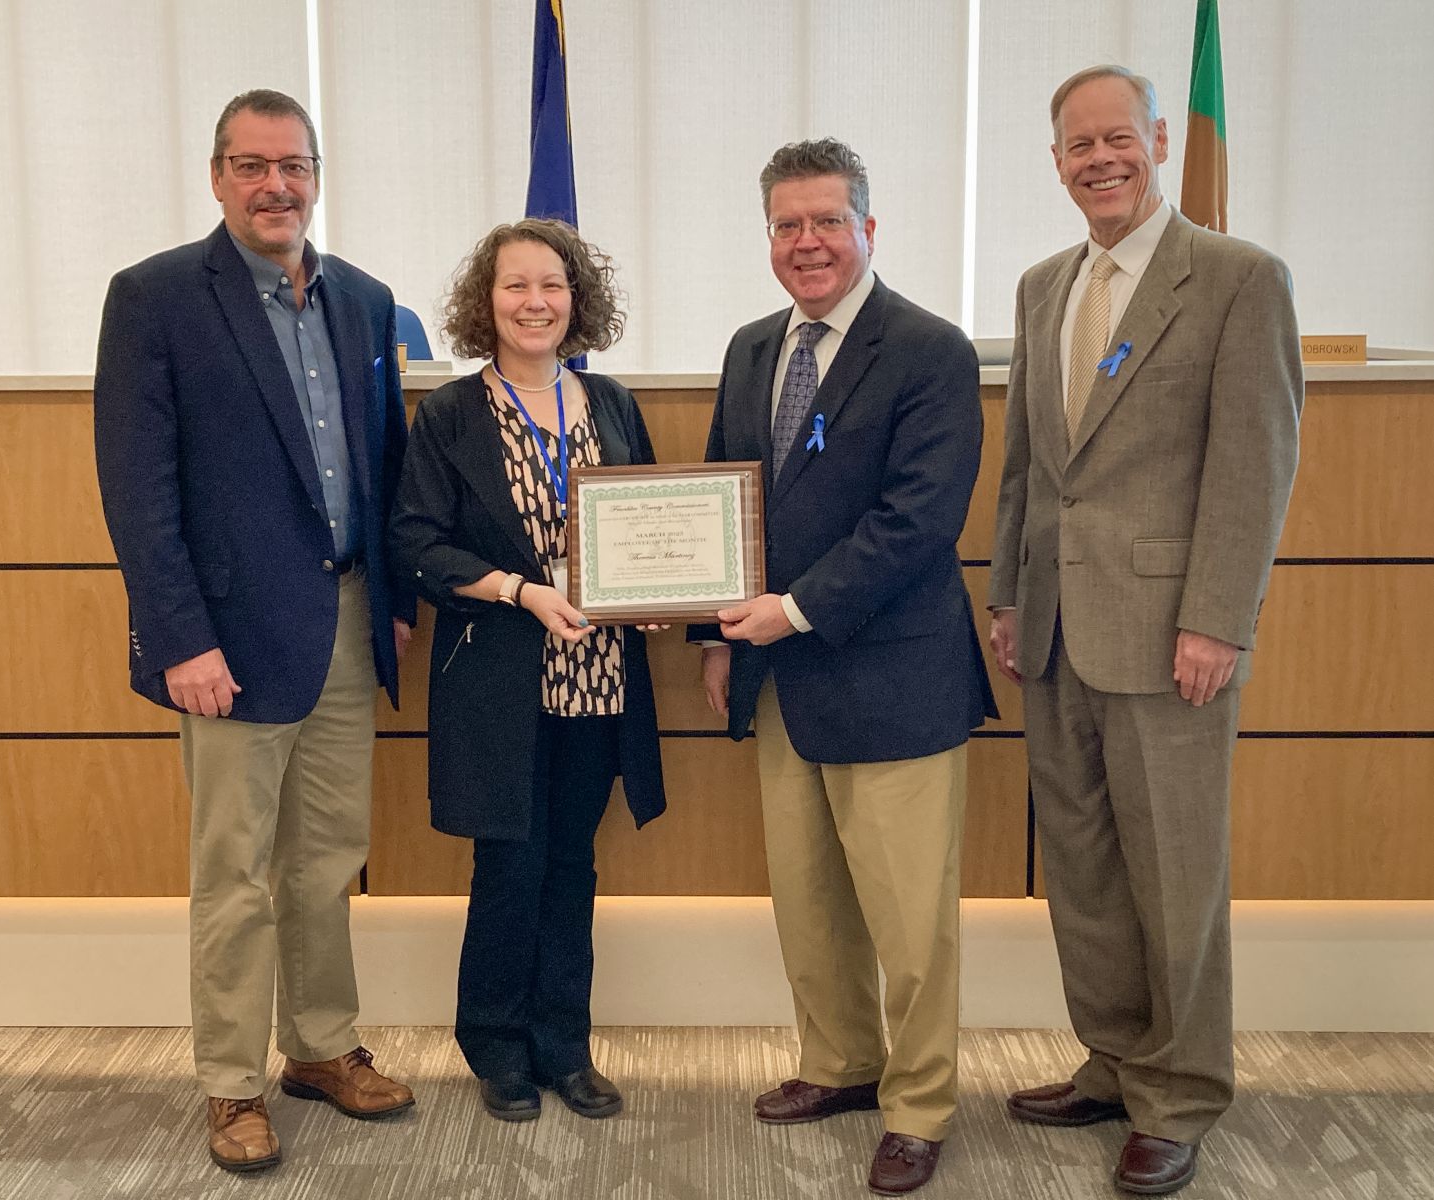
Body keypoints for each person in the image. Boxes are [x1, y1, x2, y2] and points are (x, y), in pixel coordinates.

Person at [988, 65, 1302, 1195]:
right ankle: (1115, 1062)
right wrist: (1009, 598)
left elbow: (1254, 465)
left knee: (1175, 872)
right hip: (1059, 631)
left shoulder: (1236, 280)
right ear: (1058, 161)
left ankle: (1182, 1093)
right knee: (1081, 865)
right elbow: (1030, 466)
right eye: (1079, 147)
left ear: (1159, 140)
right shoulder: (1042, 286)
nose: (1100, 160)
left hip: (1173, 635)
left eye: (1118, 139)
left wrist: (1219, 618)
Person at [94, 89, 417, 1172]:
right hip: (224, 643)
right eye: (251, 166)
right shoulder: (155, 298)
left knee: (328, 857)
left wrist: (399, 606)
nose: (274, 185)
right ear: (218, 177)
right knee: (232, 871)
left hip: (351, 617)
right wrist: (179, 637)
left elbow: (386, 469)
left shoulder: (365, 301)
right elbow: (138, 491)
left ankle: (321, 1049)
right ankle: (231, 1084)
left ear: (316, 176)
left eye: (292, 165)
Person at [691, 138, 996, 1196]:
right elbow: (731, 507)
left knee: (911, 920)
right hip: (778, 677)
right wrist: (721, 640)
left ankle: (919, 1105)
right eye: (788, 225)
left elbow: (918, 521)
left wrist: (794, 610)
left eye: (827, 221)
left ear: (871, 227)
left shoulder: (930, 349)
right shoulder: (748, 349)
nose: (807, 242)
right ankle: (841, 1065)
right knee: (809, 899)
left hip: (893, 673)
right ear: (768, 236)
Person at [390, 218, 666, 1124]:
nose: (535, 302)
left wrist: (664, 590)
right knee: (508, 864)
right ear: (487, 302)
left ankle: (565, 1047)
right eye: (515, 286)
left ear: (576, 299)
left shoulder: (612, 404)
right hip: (501, 680)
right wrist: (518, 589)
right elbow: (416, 541)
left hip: (597, 682)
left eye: (551, 285)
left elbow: (656, 521)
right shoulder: (451, 415)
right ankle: (496, 1047)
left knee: (574, 865)